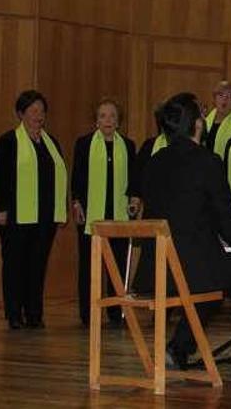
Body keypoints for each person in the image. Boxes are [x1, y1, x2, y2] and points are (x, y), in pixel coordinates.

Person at [142, 92, 231, 376]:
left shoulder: (154, 161)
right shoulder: (208, 161)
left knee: (210, 286)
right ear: (197, 124)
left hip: (157, 268)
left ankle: (178, 349)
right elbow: (223, 214)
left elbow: (177, 211)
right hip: (192, 266)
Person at [0, 90, 67, 330]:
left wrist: (60, 207)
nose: (38, 115)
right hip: (16, 215)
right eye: (33, 111)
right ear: (21, 113)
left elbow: (59, 176)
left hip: (45, 216)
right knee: (15, 265)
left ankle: (34, 313)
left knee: (37, 265)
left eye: (42, 111)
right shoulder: (8, 141)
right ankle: (14, 314)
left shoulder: (52, 142)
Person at [71, 99, 140, 328]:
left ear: (118, 121)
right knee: (88, 267)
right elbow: (78, 177)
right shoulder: (84, 144)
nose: (108, 120)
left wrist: (134, 198)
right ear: (96, 121)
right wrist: (77, 202)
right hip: (91, 215)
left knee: (118, 266)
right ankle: (87, 314)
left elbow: (134, 179)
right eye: (103, 116)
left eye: (112, 116)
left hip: (119, 216)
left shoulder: (128, 146)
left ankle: (115, 312)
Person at [204, 81, 231, 158]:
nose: (225, 99)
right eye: (221, 95)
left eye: (230, 96)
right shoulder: (205, 120)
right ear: (214, 99)